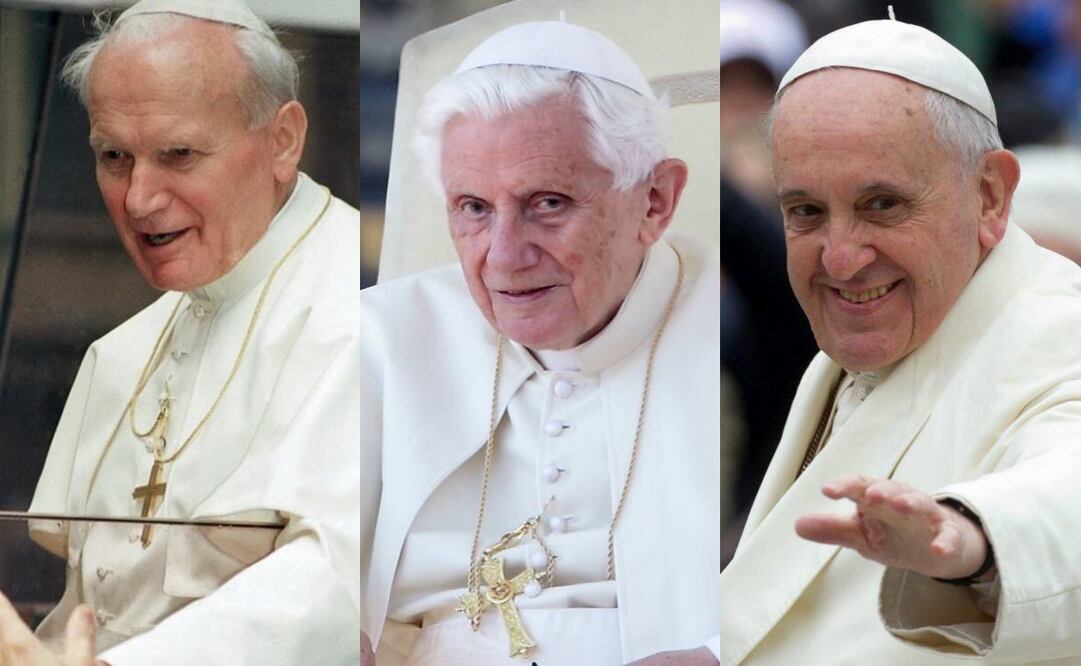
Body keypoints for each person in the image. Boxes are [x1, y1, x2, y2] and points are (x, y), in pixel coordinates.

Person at [719, 15, 1081, 665]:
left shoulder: (1057, 328)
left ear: (990, 196)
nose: (840, 259)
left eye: (880, 204)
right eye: (804, 211)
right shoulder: (864, 338)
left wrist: (974, 541)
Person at [360, 20, 720, 666]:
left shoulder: (734, 327)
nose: (503, 257)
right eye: (472, 208)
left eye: (547, 203)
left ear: (655, 201)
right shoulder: (378, 339)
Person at [13, 1, 361, 663]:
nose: (139, 198)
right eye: (114, 156)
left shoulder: (357, 308)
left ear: (283, 140)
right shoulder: (128, 349)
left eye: (178, 155)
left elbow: (336, 582)